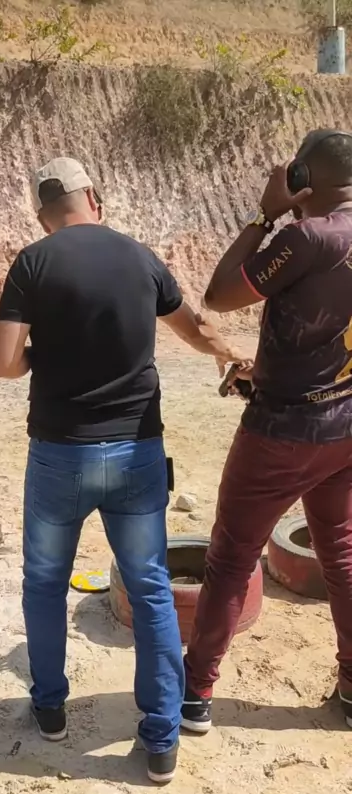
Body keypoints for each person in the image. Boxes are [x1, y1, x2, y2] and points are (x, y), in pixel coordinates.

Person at [0, 156, 246, 783]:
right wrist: (229, 353)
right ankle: (161, 741)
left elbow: (0, 361)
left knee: (44, 584)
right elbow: (194, 329)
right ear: (94, 199)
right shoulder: (140, 257)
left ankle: (51, 709)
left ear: (43, 217)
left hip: (60, 455)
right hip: (136, 451)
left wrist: (33, 362)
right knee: (150, 588)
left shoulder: (34, 262)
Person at [181, 129, 352, 734]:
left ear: (302, 178)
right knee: (342, 553)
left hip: (283, 431)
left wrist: (265, 215)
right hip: (345, 424)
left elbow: (219, 295)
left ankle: (195, 692)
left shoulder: (307, 237)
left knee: (230, 559)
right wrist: (276, 368)